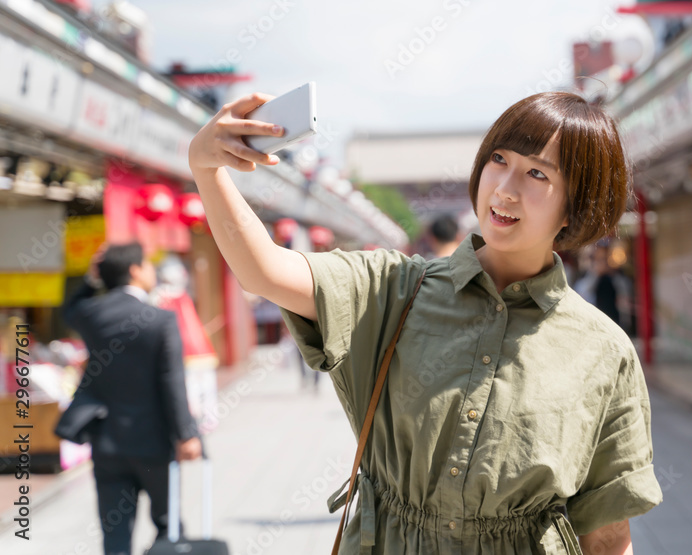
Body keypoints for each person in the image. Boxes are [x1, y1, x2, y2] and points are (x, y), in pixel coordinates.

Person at [188, 91, 663, 554]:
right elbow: (265, 269)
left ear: (574, 206)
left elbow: (606, 533)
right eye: (498, 159)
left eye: (537, 173)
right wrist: (206, 169)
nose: (504, 189)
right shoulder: (394, 287)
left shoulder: (604, 351)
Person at [61, 243, 202, 555]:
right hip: (154, 445)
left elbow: (69, 310)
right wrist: (187, 435)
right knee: (169, 526)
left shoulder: (92, 314)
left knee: (115, 536)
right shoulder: (160, 319)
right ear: (136, 270)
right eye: (149, 265)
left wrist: (90, 280)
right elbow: (172, 383)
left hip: (108, 444)